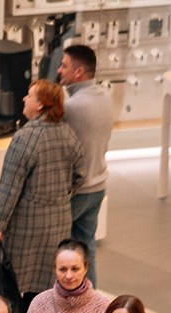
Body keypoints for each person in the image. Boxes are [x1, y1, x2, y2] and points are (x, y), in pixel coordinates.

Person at [0, 81, 84, 313]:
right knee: (47, 283)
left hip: (26, 226)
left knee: (16, 284)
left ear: (41, 104)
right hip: (59, 222)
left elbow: (9, 187)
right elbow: (80, 175)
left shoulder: (26, 138)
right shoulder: (68, 134)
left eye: (29, 95)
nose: (24, 99)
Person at [56, 46, 113, 280]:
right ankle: (92, 304)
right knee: (86, 250)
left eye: (64, 66)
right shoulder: (105, 96)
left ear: (79, 72)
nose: (59, 70)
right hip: (98, 186)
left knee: (61, 252)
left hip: (77, 192)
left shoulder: (72, 107)